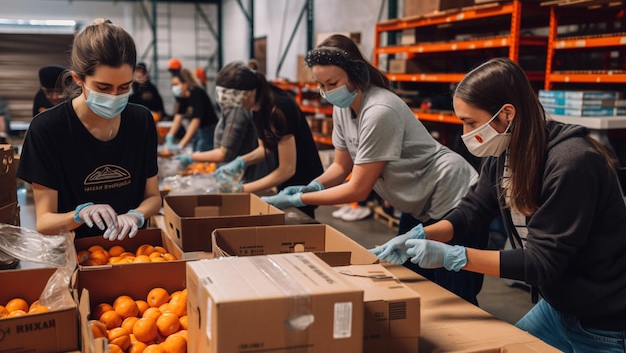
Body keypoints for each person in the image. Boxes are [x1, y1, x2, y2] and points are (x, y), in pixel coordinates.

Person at [377, 57, 626, 352]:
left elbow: (540, 262)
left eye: (471, 122)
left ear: (507, 113)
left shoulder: (572, 163)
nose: (466, 133)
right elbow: (473, 210)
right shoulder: (506, 152)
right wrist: (422, 235)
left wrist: (455, 256)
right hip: (557, 306)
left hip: (602, 320)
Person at [261, 34, 486, 304]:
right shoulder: (342, 109)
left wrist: (299, 199)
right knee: (411, 281)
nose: (327, 92)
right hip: (417, 201)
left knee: (454, 293)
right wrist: (315, 185)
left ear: (355, 73)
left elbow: (358, 187)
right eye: (321, 85)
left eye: (332, 83)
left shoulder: (380, 110)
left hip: (452, 195)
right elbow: (341, 166)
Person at [16, 18, 161, 241]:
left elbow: (153, 197)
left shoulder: (141, 121)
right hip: (76, 253)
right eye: (103, 88)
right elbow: (44, 222)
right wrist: (79, 214)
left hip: (132, 253)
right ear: (78, 79)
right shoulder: (48, 129)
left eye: (124, 87)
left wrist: (136, 215)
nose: (114, 97)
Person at [214, 70, 324, 218]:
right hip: (282, 175)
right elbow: (265, 148)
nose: (237, 107)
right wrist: (240, 162)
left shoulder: (279, 108)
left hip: (300, 178)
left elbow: (287, 169)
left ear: (248, 93)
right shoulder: (256, 107)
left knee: (299, 221)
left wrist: (241, 189)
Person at [174, 61, 266, 184]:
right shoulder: (234, 107)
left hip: (241, 178)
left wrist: (192, 156)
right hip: (237, 175)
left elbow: (225, 153)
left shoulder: (236, 110)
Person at [163, 68, 218, 152]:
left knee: (201, 154)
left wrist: (181, 144)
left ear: (185, 84)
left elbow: (196, 120)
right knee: (195, 151)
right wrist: (170, 136)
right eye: (173, 85)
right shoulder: (183, 96)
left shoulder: (196, 93)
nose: (174, 87)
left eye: (176, 84)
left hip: (209, 130)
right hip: (199, 130)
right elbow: (178, 117)